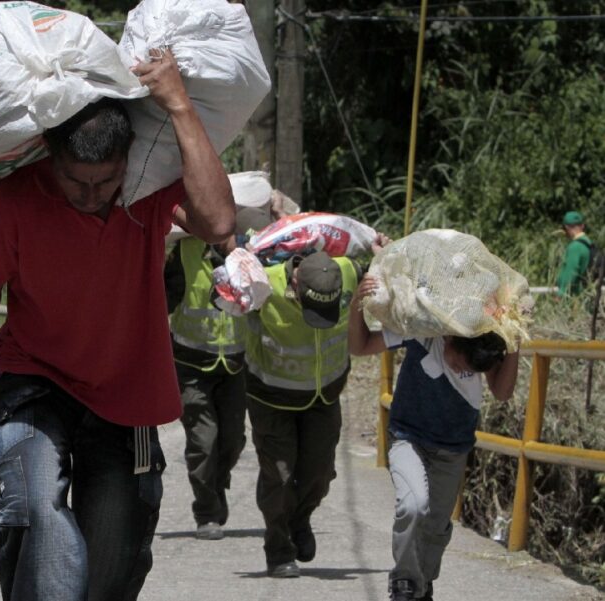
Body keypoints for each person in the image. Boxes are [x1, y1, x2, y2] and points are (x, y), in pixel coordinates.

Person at [0, 47, 235, 601]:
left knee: (112, 564)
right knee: (31, 509)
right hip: (35, 382)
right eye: (73, 181)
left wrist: (178, 106)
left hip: (126, 392)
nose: (89, 195)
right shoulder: (17, 200)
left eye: (103, 181)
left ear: (126, 161)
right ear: (48, 157)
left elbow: (219, 220)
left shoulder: (148, 189)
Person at [348, 275, 519, 601]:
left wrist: (515, 337)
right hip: (408, 436)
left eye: (469, 369)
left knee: (437, 527)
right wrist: (358, 305)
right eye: (457, 360)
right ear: (451, 337)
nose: (460, 369)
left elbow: (503, 391)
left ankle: (422, 585)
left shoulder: (486, 343)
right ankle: (405, 582)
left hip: (453, 448)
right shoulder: (422, 331)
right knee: (413, 506)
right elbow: (360, 346)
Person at [242, 237, 386, 578]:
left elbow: (392, 281)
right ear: (295, 282)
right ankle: (279, 551)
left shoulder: (350, 272)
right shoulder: (265, 281)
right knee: (279, 475)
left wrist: (385, 258)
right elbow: (224, 299)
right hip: (271, 396)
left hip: (323, 396)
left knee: (319, 475)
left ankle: (300, 519)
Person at [162, 183, 294, 541]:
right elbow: (161, 300)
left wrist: (279, 213)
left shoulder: (248, 256)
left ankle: (215, 487)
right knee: (203, 441)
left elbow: (288, 254)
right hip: (191, 365)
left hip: (235, 366)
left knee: (232, 441)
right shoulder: (185, 253)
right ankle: (207, 512)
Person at [556, 210, 595, 296]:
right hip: (587, 293)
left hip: (575, 296)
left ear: (566, 228)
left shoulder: (575, 247)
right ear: (582, 226)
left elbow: (570, 272)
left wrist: (561, 294)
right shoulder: (589, 243)